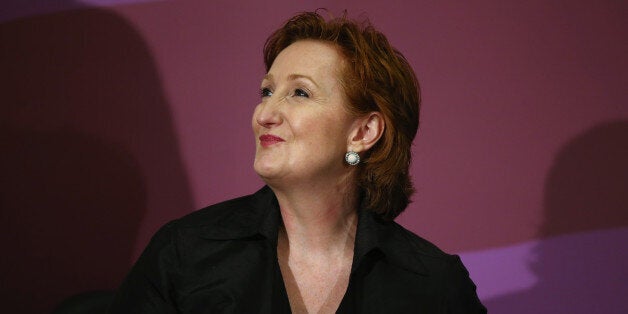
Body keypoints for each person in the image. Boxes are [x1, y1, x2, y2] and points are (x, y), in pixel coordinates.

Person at [108, 11, 486, 313]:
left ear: (363, 132)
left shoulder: (433, 284)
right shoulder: (185, 251)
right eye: (267, 91)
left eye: (299, 93)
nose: (265, 113)